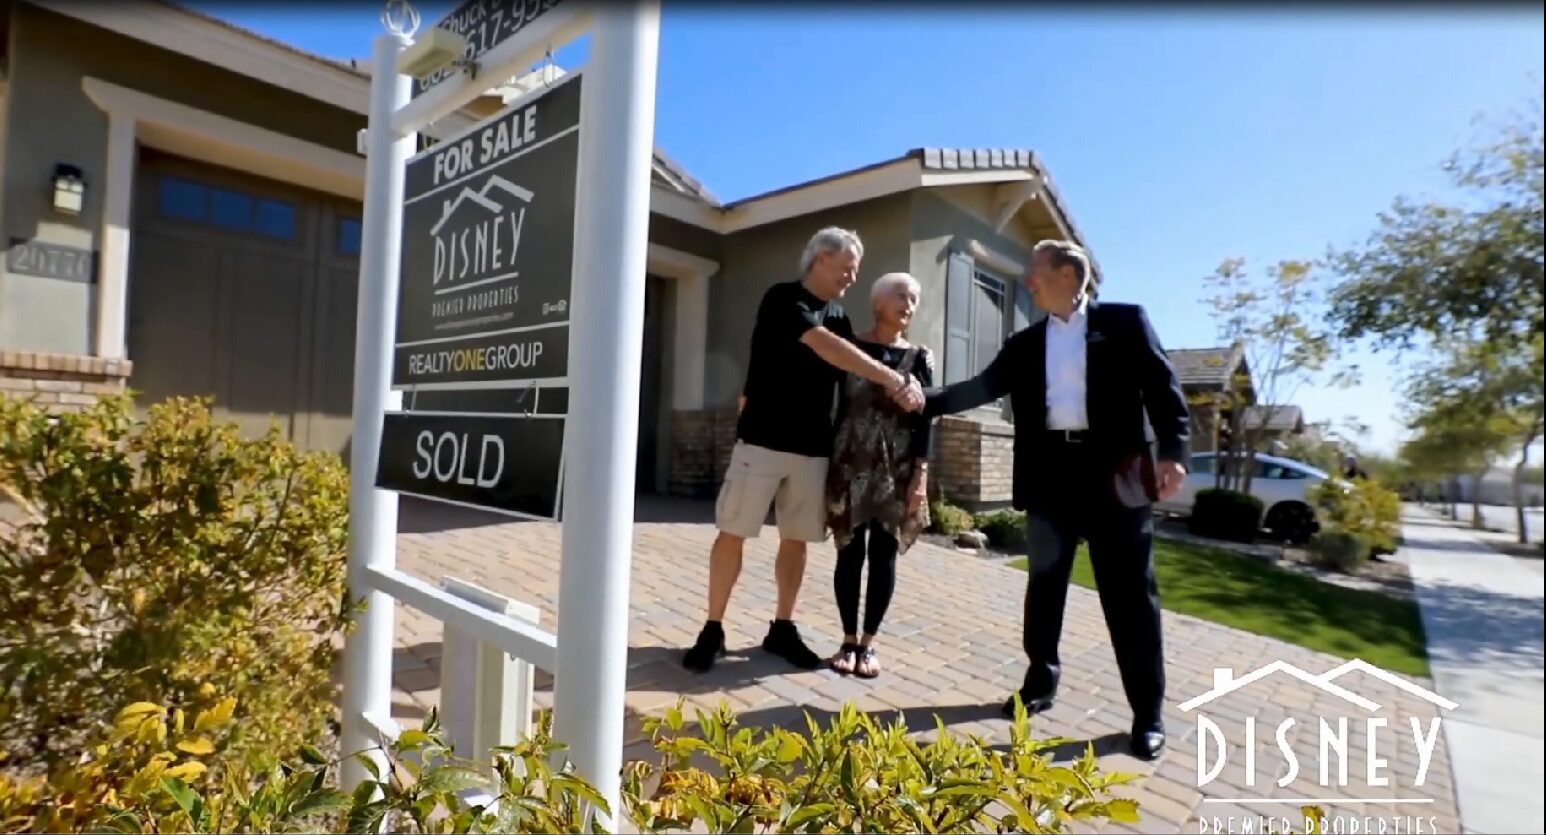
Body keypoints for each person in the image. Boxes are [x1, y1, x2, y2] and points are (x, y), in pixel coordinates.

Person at [922, 239, 1190, 761]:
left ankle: (1147, 715)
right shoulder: (1025, 344)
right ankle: (1039, 682)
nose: (1028, 280)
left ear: (1068, 274)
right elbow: (981, 386)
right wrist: (921, 401)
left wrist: (1174, 450)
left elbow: (1163, 388)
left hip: (1117, 479)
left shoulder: (1126, 322)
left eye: (1036, 271)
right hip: (1052, 477)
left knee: (1131, 599)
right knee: (1044, 589)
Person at [682, 227, 924, 674]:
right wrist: (893, 380)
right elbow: (830, 350)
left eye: (856, 270)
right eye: (847, 267)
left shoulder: (841, 317)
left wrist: (913, 390)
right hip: (762, 440)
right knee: (733, 531)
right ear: (820, 259)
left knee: (796, 540)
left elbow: (857, 376)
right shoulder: (783, 299)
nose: (852, 277)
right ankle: (712, 628)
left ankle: (782, 627)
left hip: (814, 450)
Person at [824, 272, 935, 680]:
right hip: (849, 465)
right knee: (849, 552)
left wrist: (920, 478)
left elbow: (927, 422)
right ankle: (848, 640)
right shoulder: (849, 348)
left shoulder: (920, 358)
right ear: (878, 303)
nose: (909, 304)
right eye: (901, 296)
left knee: (883, 556)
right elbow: (831, 407)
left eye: (914, 299)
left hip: (897, 470)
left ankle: (869, 644)